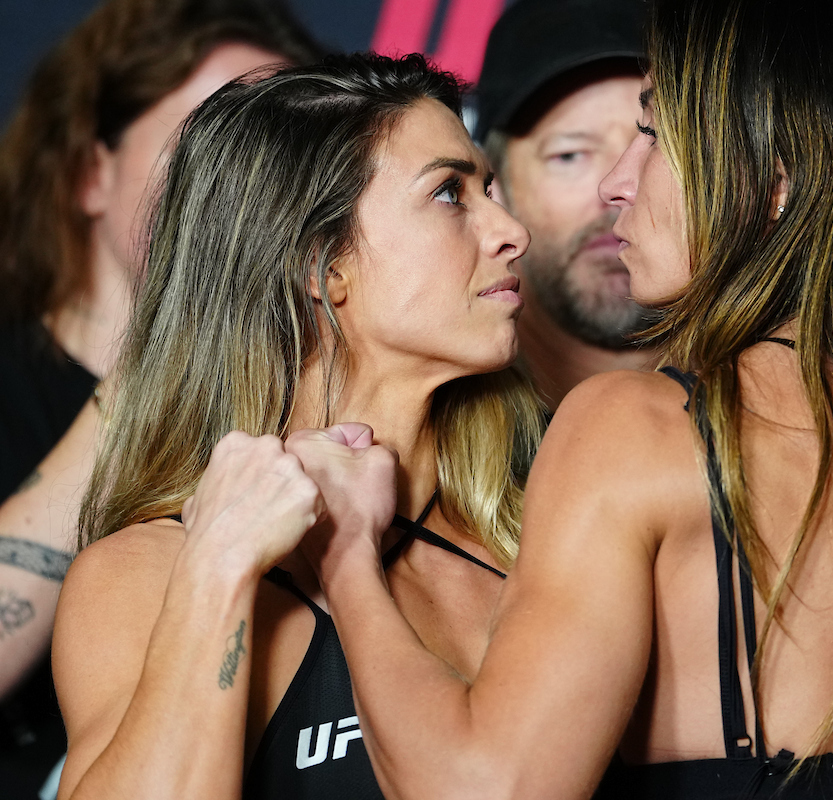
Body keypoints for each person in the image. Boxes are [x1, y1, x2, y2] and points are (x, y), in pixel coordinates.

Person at [272, 1, 833, 798]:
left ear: (776, 181)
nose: (617, 185)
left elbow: (489, 789)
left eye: (654, 135)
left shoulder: (632, 432)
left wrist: (348, 559)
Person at [50, 52, 542, 799]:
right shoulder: (150, 573)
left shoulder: (544, 519)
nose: (512, 231)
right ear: (321, 265)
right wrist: (222, 565)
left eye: (490, 189)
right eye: (449, 192)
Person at [0, 0, 319, 793]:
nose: (249, 184)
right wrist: (156, 364)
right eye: (208, 139)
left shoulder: (302, 399)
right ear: (92, 175)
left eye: (283, 152)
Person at [474, 0, 655, 410]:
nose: (617, 187)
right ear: (492, 186)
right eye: (570, 155)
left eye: (657, 144)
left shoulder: (788, 419)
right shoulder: (431, 441)